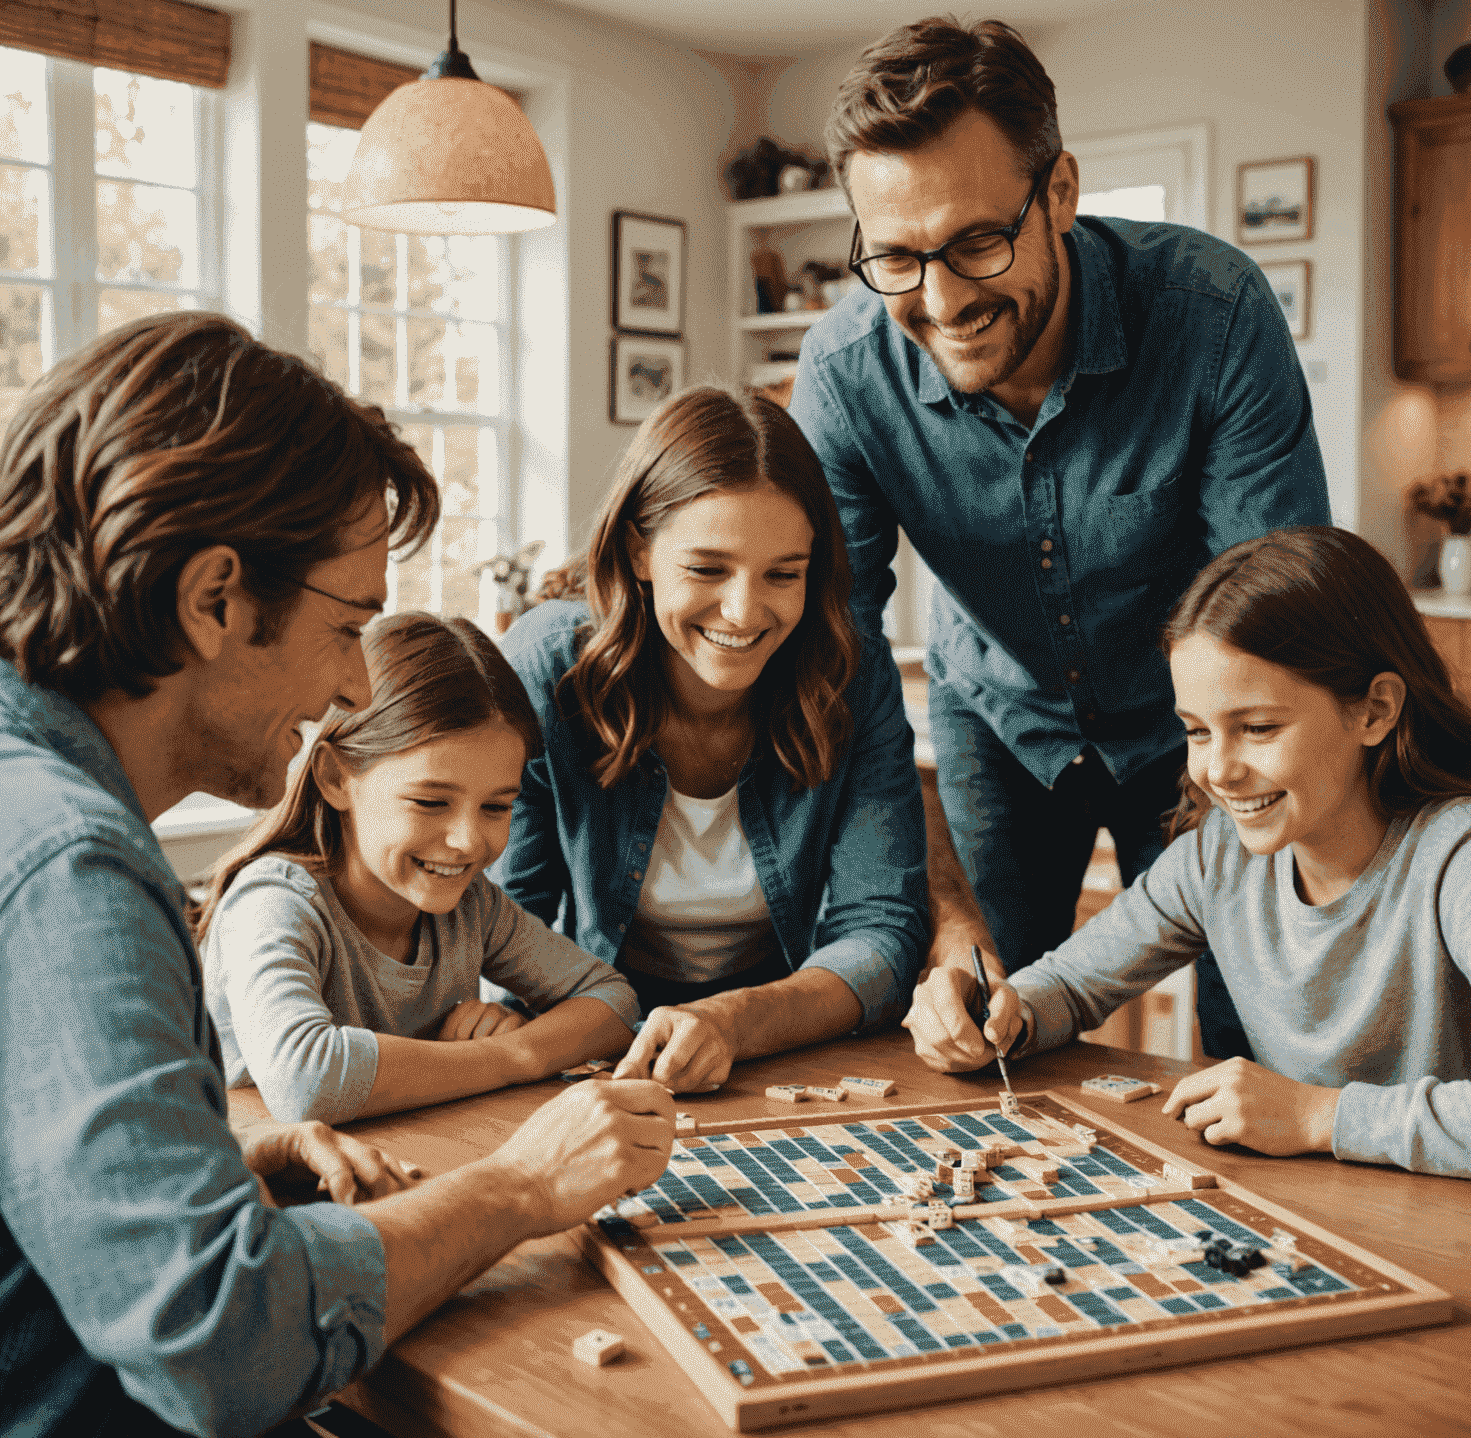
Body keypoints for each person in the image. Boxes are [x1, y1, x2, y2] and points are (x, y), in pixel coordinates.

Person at [0, 312, 673, 1438]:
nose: (357, 690)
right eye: (349, 623)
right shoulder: (74, 867)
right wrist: (520, 1187)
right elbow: (223, 1340)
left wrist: (222, 1163)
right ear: (215, 598)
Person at [786, 15, 1331, 1071]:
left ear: (1064, 193)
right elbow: (837, 664)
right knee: (985, 1036)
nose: (941, 302)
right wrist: (938, 911)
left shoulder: (1211, 315)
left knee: (1251, 1042)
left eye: (978, 242)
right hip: (999, 722)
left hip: (1199, 733)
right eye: (896, 258)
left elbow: (1278, 627)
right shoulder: (846, 373)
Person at [975, 527, 1471, 1185]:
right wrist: (998, 1013)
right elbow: (1067, 987)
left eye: (1260, 728)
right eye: (1197, 731)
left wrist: (1316, 1118)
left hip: (1469, 1236)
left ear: (1375, 710)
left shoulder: (1466, 854)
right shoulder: (1218, 857)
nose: (1218, 770)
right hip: (1318, 1219)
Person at [489, 386, 929, 1092]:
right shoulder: (546, 668)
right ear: (639, 551)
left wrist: (732, 1021)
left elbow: (884, 933)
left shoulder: (851, 667)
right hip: (593, 1041)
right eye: (706, 569)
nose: (744, 610)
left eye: (783, 574)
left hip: (778, 1044)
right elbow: (502, 928)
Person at [198, 612, 641, 1125]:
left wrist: (515, 1027)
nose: (467, 841)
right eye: (430, 802)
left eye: (496, 807)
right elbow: (308, 1080)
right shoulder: (274, 902)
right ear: (335, 778)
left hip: (417, 1158)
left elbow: (611, 998)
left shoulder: (472, 906)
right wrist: (512, 1056)